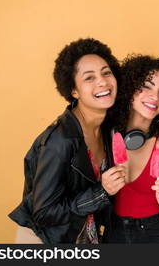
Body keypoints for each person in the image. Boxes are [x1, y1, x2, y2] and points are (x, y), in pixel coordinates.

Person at [9, 38, 122, 243]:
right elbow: (44, 213)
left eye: (106, 72)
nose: (103, 82)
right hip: (44, 239)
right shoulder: (59, 141)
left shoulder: (107, 130)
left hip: (79, 235)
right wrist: (101, 192)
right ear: (74, 91)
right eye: (89, 78)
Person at [107, 54, 159, 243]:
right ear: (129, 88)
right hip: (113, 233)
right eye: (146, 86)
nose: (155, 97)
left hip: (157, 234)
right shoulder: (106, 134)